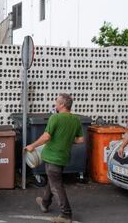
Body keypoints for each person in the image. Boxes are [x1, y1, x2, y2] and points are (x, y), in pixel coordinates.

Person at [25, 93, 84, 223]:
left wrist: (32, 146)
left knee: (56, 185)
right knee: (53, 181)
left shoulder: (55, 118)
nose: (55, 104)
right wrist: (67, 139)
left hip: (52, 156)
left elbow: (46, 137)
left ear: (62, 105)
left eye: (57, 101)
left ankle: (66, 214)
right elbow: (80, 140)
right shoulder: (75, 120)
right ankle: (45, 203)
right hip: (63, 157)